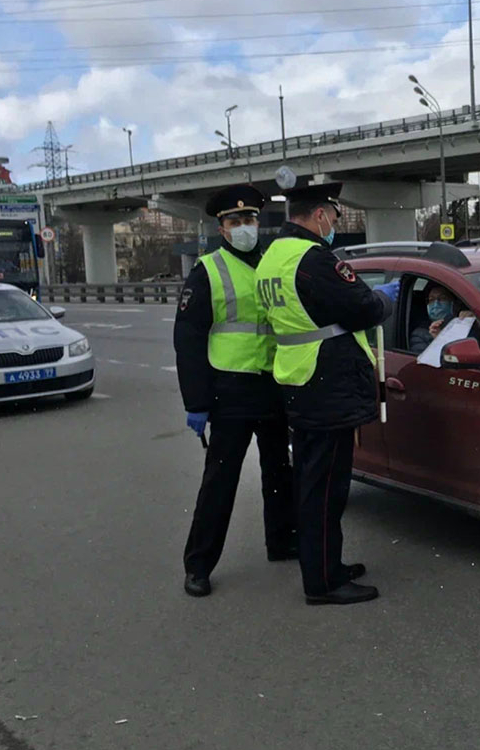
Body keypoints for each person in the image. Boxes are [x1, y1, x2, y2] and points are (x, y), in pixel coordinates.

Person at [254, 182, 401, 606]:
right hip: (325, 381)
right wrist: (383, 298)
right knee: (325, 489)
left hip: (299, 378)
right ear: (320, 214)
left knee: (314, 481)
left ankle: (326, 566)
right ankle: (323, 582)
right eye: (334, 217)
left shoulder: (272, 257)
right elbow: (365, 309)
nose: (335, 225)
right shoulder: (314, 259)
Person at [174, 184, 297, 598]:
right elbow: (188, 340)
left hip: (273, 384)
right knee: (220, 481)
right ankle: (199, 565)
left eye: (249, 220)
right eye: (234, 221)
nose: (243, 227)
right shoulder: (208, 270)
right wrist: (197, 402)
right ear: (221, 228)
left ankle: (282, 541)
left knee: (279, 471)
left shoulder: (270, 264)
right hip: (230, 389)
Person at [409, 282, 475, 355]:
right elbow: (425, 362)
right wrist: (439, 340)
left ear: (454, 303)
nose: (436, 304)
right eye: (431, 300)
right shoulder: (420, 334)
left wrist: (474, 322)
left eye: (442, 298)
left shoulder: (464, 323)